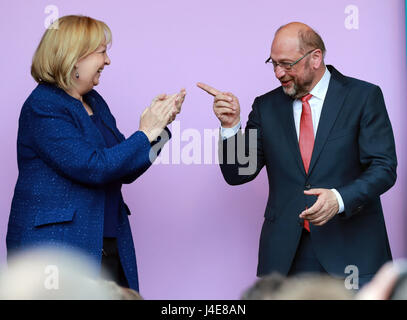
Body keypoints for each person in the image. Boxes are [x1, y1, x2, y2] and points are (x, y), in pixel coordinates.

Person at [197, 22, 397, 287]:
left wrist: (339, 199)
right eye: (274, 63)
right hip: (287, 258)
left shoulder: (363, 97)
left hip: (354, 253)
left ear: (316, 58)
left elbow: (383, 168)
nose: (279, 73)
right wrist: (231, 126)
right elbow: (238, 173)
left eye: (287, 64)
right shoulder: (266, 107)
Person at [6, 15, 186, 293]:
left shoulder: (93, 101)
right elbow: (94, 167)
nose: (108, 61)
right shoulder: (43, 105)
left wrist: (160, 130)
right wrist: (145, 132)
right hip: (59, 247)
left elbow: (124, 166)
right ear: (74, 57)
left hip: (106, 242)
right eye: (102, 52)